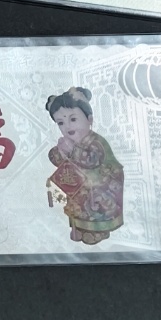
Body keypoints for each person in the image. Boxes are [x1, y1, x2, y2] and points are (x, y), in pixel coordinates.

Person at [45, 86, 123, 245]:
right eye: (61, 122)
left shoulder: (96, 141)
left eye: (73, 119)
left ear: (89, 119)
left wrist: (72, 150)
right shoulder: (69, 142)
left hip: (103, 183)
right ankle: (80, 227)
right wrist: (59, 152)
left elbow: (92, 160)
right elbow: (58, 159)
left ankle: (99, 230)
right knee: (77, 203)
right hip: (81, 184)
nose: (68, 126)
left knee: (97, 206)